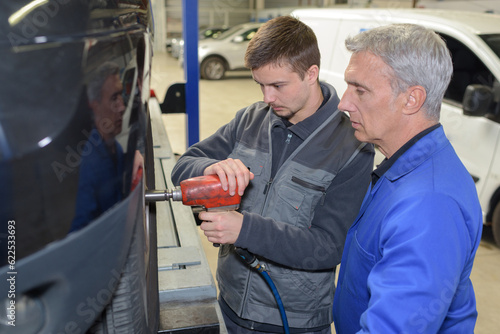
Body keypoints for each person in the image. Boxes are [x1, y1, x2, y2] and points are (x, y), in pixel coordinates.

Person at [171, 16, 374, 333]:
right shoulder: (251, 119)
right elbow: (184, 165)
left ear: (311, 74)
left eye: (278, 86)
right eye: (261, 85)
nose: (267, 98)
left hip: (291, 321)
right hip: (230, 303)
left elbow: (327, 248)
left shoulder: (351, 147)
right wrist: (211, 167)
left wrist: (245, 230)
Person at [332, 24, 483, 333]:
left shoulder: (429, 206)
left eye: (360, 90)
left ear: (412, 99)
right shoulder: (406, 166)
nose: (344, 103)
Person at [70, 62, 127, 232]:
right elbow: (80, 229)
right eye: (114, 98)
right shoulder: (89, 163)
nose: (122, 107)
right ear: (95, 105)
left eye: (121, 95)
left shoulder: (115, 148)